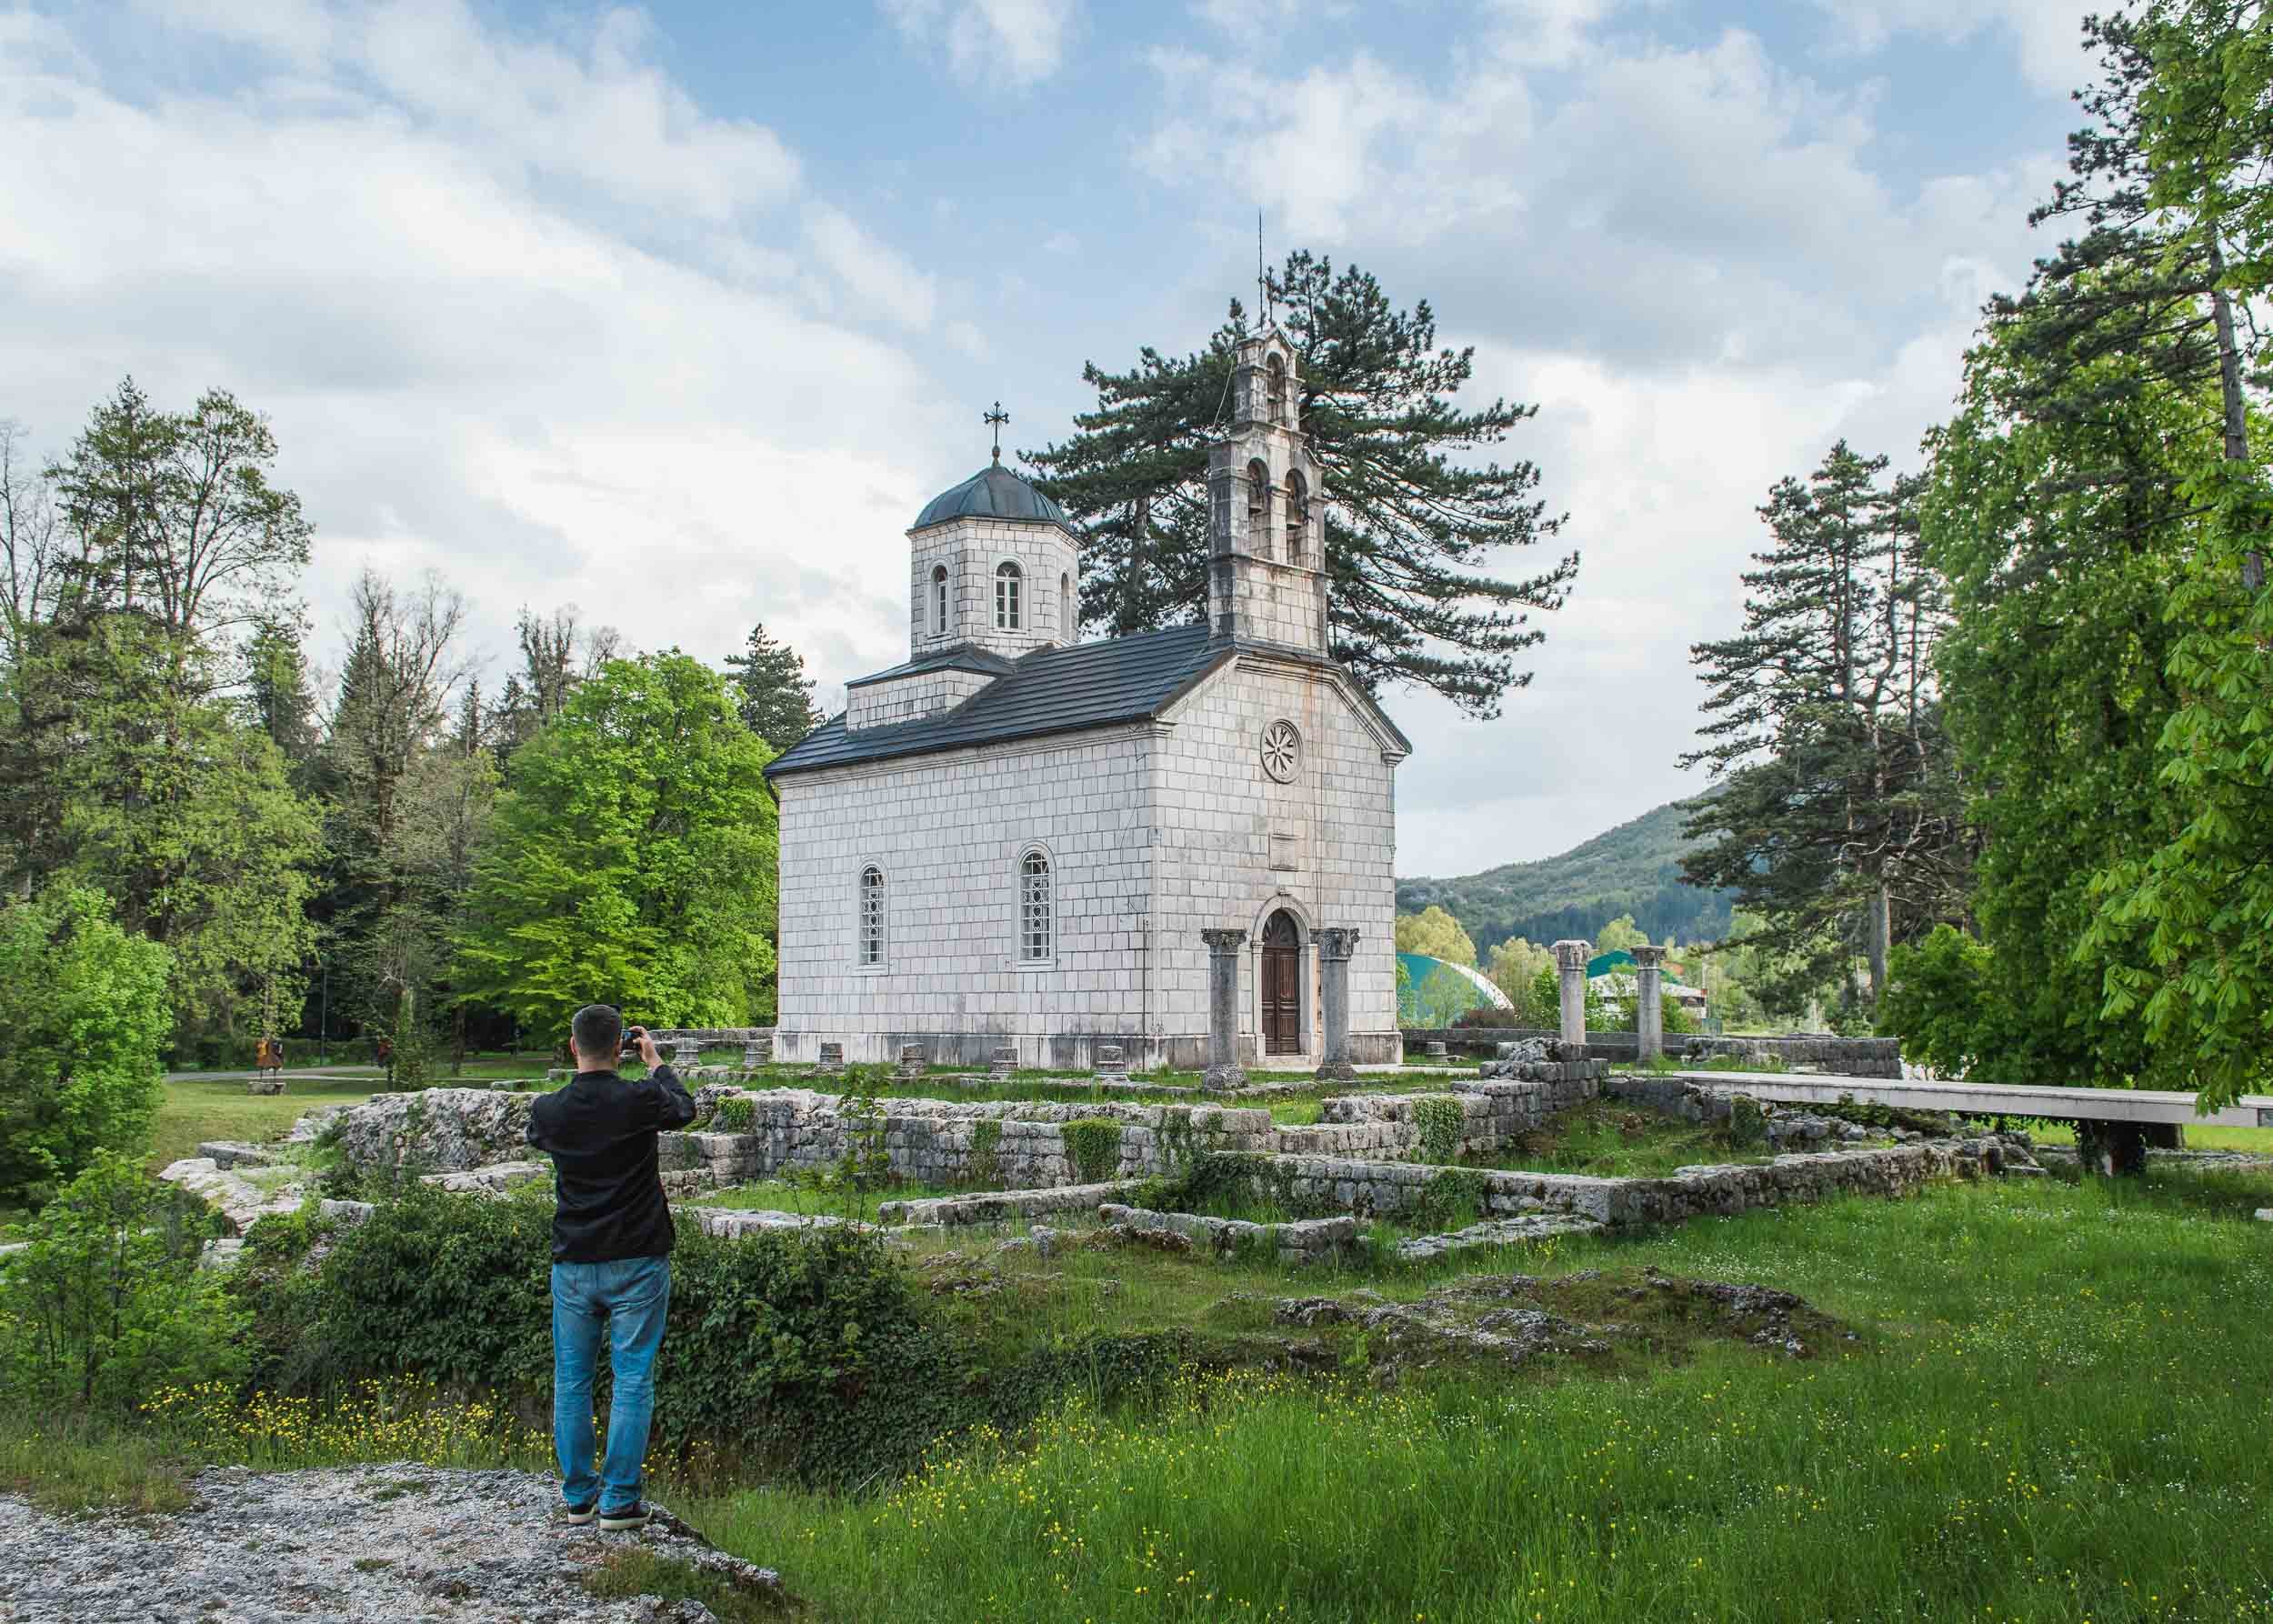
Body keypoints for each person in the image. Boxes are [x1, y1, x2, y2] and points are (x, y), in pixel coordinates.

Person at [524, 1003, 697, 1529]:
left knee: (572, 1380)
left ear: (573, 1046)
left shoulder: (548, 1109)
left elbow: (539, 1137)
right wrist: (656, 1063)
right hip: (638, 1256)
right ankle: (620, 1499)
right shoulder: (641, 1098)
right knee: (632, 1379)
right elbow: (683, 1109)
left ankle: (578, 1495)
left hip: (575, 1258)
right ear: (621, 1044)